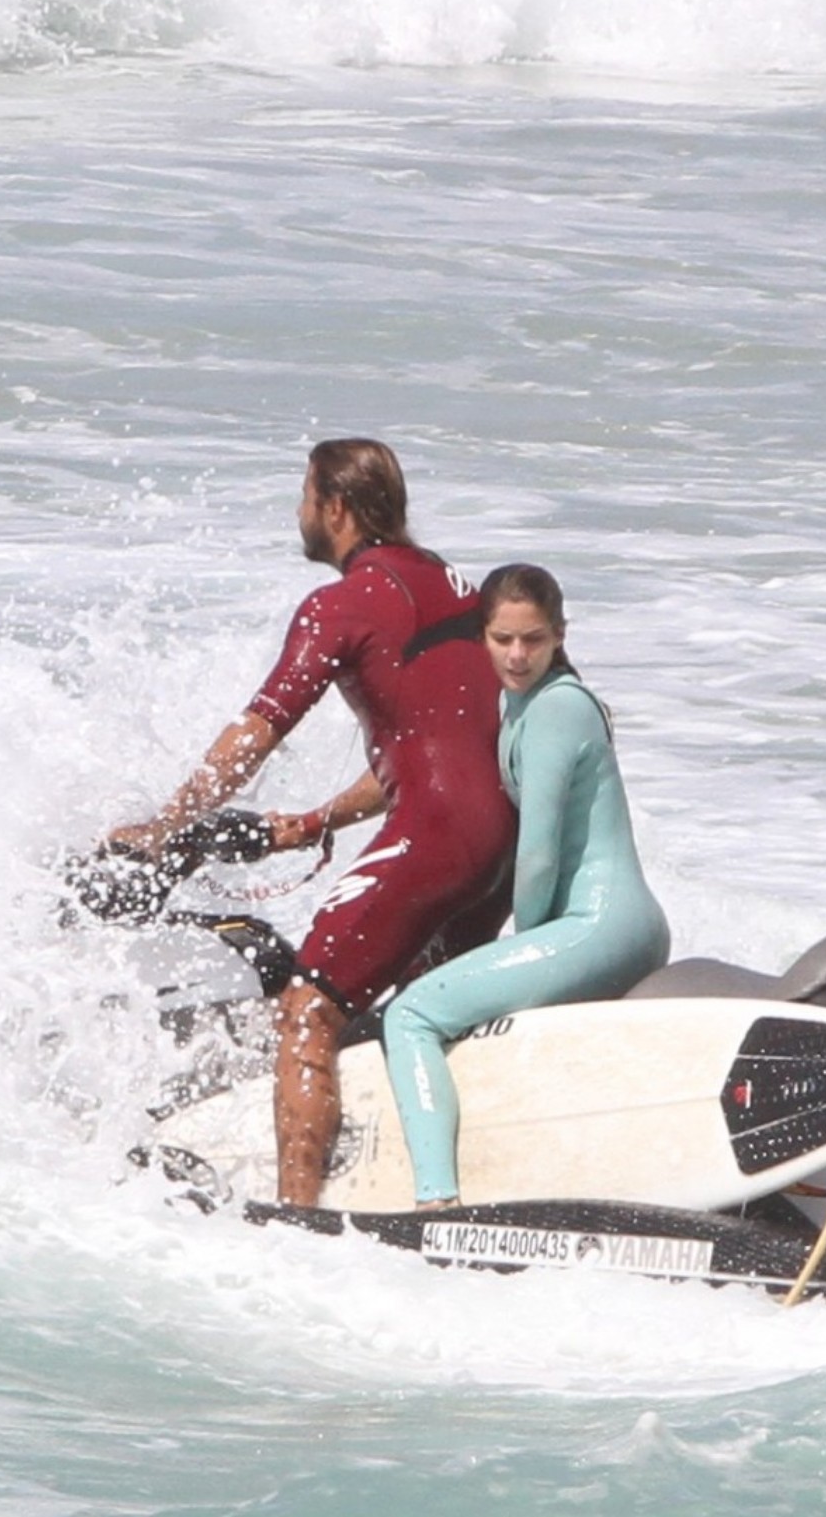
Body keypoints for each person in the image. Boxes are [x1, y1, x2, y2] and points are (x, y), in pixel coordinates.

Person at [104, 439, 515, 1205]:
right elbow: (444, 753)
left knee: (308, 1007)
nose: (299, 513)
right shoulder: (465, 591)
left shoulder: (343, 603)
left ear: (336, 507)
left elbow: (258, 730)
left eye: (305, 496)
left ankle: (298, 1218)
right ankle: (434, 1183)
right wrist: (315, 820)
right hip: (505, 847)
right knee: (419, 1014)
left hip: (436, 842)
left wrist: (166, 824)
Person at [382, 563, 671, 1208]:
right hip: (616, 926)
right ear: (481, 637)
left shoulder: (557, 708)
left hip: (598, 925)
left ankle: (435, 1200)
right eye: (503, 639)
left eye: (534, 639)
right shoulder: (523, 704)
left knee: (411, 1015)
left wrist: (525, 946)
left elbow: (538, 854)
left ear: (560, 635)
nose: (517, 655)